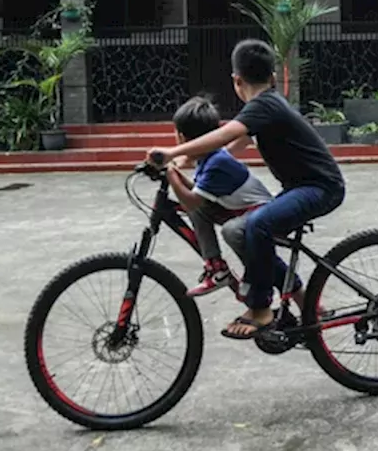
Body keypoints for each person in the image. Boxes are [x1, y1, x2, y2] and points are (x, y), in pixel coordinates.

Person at [147, 39, 345, 339]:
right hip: (301, 187)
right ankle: (306, 303)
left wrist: (172, 154)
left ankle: (260, 309)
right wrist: (187, 158)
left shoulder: (264, 105)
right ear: (273, 76)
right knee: (244, 230)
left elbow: (225, 135)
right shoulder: (268, 106)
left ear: (236, 81)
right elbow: (229, 146)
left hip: (320, 188)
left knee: (257, 226)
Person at [164, 95, 271, 299]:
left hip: (258, 211)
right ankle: (217, 268)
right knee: (197, 211)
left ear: (183, 138)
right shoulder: (209, 156)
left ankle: (254, 277)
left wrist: (170, 173)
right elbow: (197, 193)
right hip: (239, 208)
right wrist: (175, 174)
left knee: (230, 230)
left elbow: (190, 200)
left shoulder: (216, 163)